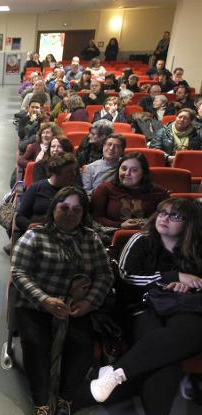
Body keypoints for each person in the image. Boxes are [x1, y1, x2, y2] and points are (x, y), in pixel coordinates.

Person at [91, 197, 202, 415]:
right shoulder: (140, 240)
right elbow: (127, 276)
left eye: (175, 216)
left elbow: (198, 282)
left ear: (191, 222)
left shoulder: (197, 248)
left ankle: (115, 373)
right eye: (162, 212)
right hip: (140, 306)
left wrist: (189, 286)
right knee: (165, 361)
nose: (164, 218)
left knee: (192, 331)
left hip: (182, 306)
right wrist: (172, 276)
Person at [11, 186, 113, 415]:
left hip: (76, 306)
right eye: (64, 207)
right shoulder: (35, 236)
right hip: (36, 304)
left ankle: (66, 397)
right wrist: (45, 299)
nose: (71, 213)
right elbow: (19, 273)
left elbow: (105, 275)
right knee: (37, 344)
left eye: (77, 209)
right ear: (53, 208)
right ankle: (41, 402)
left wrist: (88, 303)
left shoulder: (90, 238)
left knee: (82, 344)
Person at [90, 152, 169, 230]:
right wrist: (119, 225)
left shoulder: (159, 193)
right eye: (124, 169)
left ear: (143, 173)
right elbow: (96, 217)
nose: (127, 173)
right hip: (112, 236)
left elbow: (166, 219)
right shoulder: (105, 189)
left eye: (134, 170)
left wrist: (149, 224)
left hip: (148, 236)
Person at [15, 153, 79, 239]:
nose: (74, 174)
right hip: (38, 235)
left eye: (74, 171)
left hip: (67, 236)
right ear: (56, 173)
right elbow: (20, 217)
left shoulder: (76, 192)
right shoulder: (36, 188)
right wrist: (30, 225)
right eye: (69, 172)